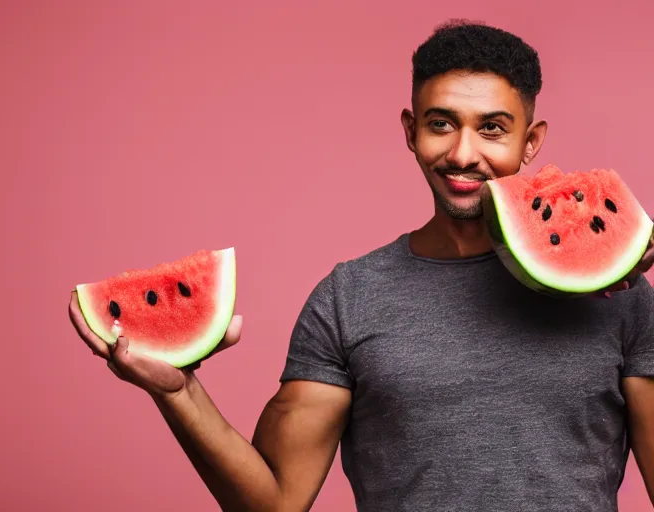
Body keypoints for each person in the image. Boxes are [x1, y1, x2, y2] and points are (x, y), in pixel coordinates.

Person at [69, 20, 654, 511]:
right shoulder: (349, 298)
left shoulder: (620, 295)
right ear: (411, 131)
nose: (462, 153)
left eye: (493, 129)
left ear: (531, 142)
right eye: (441, 123)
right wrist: (178, 393)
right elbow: (274, 503)